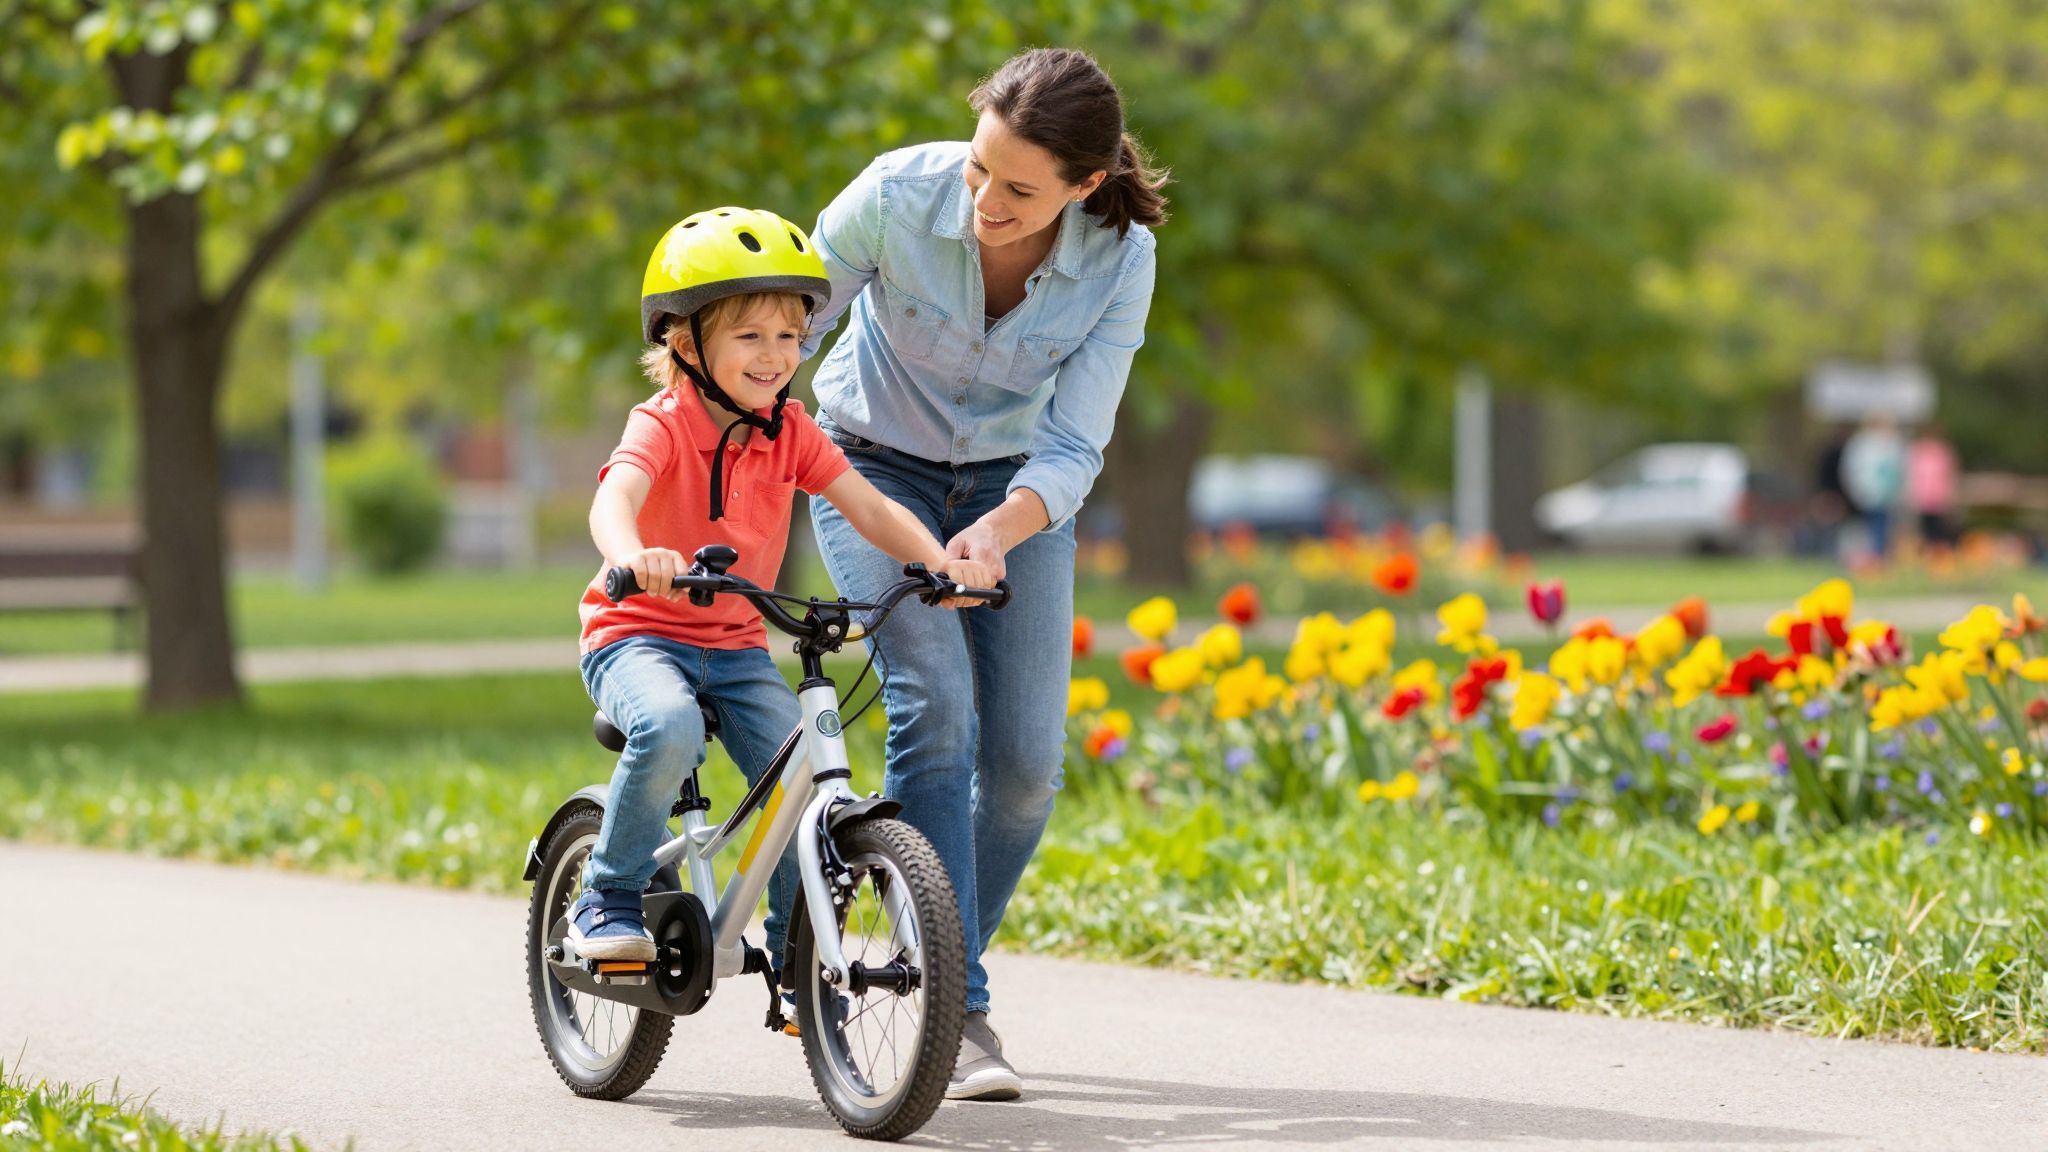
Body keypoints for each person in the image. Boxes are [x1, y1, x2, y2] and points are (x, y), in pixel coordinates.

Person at [801, 47, 1166, 1101]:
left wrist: (999, 531)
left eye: (1017, 190)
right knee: (936, 705)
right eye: (976, 171)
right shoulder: (890, 196)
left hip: (1015, 495)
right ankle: (953, 1015)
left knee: (1018, 769)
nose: (981, 205)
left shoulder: (1120, 257)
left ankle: (920, 940)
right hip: (866, 467)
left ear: (1084, 186)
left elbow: (1073, 444)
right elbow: (786, 324)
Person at [570, 208, 993, 970]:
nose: (776, 356)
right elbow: (614, 499)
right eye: (750, 336)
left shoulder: (791, 429)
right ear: (685, 341)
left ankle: (799, 968)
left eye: (790, 337)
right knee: (668, 727)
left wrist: (939, 564)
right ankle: (608, 893)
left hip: (733, 648)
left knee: (811, 793)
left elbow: (867, 506)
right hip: (636, 632)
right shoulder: (661, 423)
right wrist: (635, 556)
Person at [1841, 415, 1906, 562]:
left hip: (1887, 493)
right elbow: (1852, 468)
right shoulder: (1862, 444)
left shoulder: (1893, 444)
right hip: (1867, 492)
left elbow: (1900, 470)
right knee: (1869, 526)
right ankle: (1870, 557)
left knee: (1883, 526)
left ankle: (1878, 556)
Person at [1908, 421, 1961, 549]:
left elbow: (1951, 474)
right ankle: (1930, 552)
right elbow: (1913, 475)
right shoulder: (1918, 451)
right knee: (1925, 530)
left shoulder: (1943, 451)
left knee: (1940, 528)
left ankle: (1941, 553)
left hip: (1940, 496)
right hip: (1923, 497)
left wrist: (1952, 493)